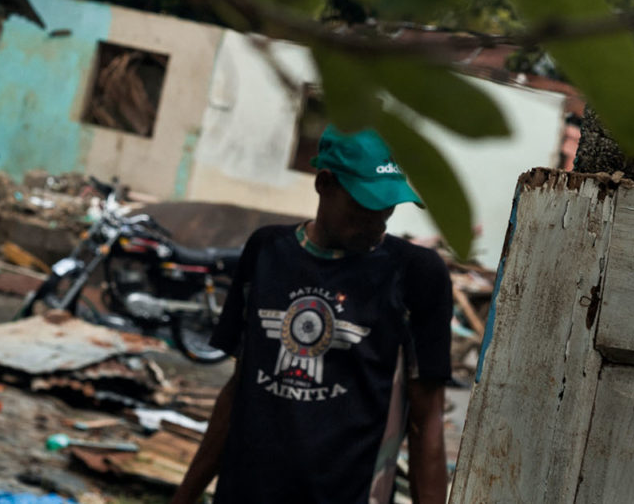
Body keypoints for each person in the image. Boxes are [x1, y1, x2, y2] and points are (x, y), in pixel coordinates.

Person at [170, 127, 452, 504]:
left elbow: (426, 420)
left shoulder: (416, 274)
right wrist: (184, 496)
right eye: (364, 206)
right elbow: (239, 389)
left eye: (387, 206)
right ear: (324, 184)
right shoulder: (266, 252)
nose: (378, 220)